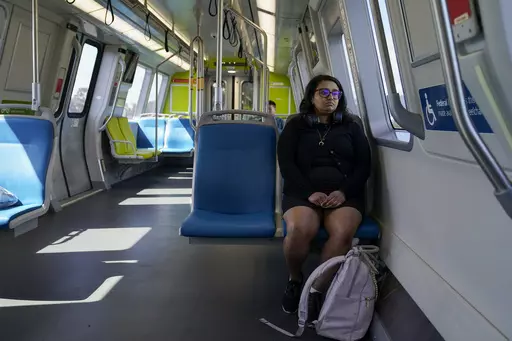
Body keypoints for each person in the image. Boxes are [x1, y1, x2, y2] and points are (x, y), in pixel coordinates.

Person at [277, 74, 371, 318]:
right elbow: (286, 164)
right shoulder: (295, 126)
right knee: (299, 228)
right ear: (311, 96)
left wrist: (344, 192)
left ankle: (316, 289)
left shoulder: (352, 126)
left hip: (344, 194)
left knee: (343, 232)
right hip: (302, 191)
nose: (331, 98)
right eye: (325, 93)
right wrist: (310, 193)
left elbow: (364, 165)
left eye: (336, 93)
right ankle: (296, 279)